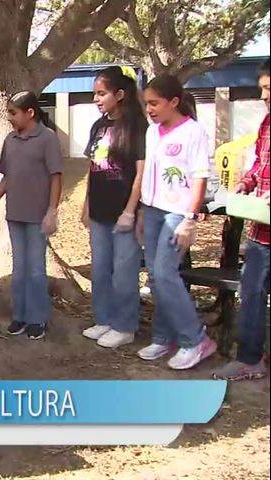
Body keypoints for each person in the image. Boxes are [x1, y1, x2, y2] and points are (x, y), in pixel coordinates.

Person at [135, 74, 217, 370]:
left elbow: (199, 178)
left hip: (177, 213)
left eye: (155, 103)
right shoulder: (152, 132)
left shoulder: (193, 132)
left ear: (174, 101)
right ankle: (163, 336)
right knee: (156, 277)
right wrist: (143, 211)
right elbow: (149, 174)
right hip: (154, 210)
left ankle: (195, 339)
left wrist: (189, 219)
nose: (150, 109)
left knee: (165, 272)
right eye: (147, 104)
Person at [0, 91, 62, 340]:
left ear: (30, 113)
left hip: (38, 215)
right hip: (14, 213)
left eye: (13, 113)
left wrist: (52, 211)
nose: (9, 117)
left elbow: (56, 176)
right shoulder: (10, 140)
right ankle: (20, 316)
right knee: (19, 268)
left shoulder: (47, 139)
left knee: (36, 269)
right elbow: (8, 176)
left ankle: (38, 319)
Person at [80, 66, 148, 348]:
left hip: (124, 212)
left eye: (102, 93)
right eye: (95, 93)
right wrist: (85, 203)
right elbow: (92, 167)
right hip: (99, 209)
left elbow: (141, 173)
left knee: (124, 272)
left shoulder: (137, 127)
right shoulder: (98, 127)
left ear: (119, 94)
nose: (97, 99)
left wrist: (131, 210)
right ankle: (104, 319)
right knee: (100, 269)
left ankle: (125, 325)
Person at [213, 59, 270, 381]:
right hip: (262, 233)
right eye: (262, 89)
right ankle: (250, 359)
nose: (264, 96)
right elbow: (259, 168)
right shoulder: (265, 125)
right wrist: (244, 185)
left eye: (269, 89)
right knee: (251, 292)